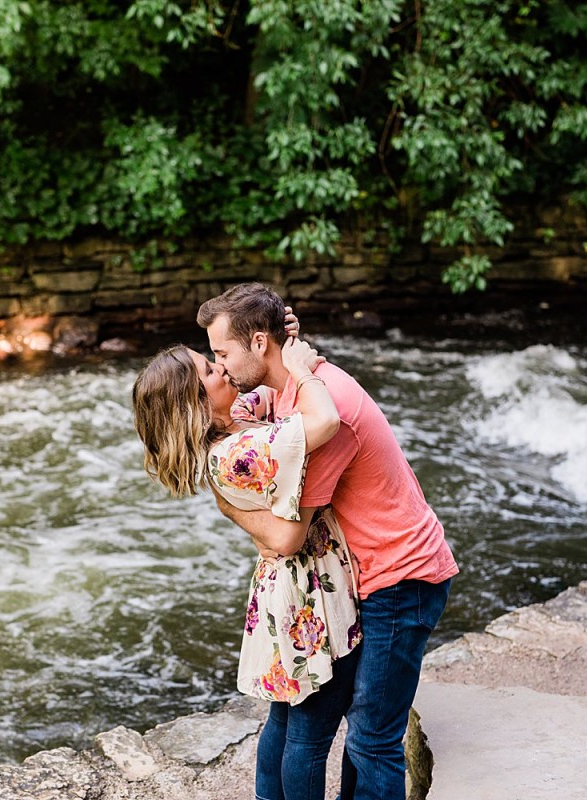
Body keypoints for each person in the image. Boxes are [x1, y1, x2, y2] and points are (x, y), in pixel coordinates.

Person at [198, 283, 459, 800]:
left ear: (257, 343)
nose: (219, 365)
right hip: (374, 574)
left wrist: (226, 503)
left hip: (399, 578)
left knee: (372, 738)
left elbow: (287, 536)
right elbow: (253, 424)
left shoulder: (322, 410)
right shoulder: (289, 393)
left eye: (220, 353)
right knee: (360, 732)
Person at [131, 334, 362, 800]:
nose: (223, 370)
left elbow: (261, 380)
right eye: (210, 370)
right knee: (311, 732)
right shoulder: (243, 451)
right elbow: (325, 419)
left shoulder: (233, 422)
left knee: (285, 715)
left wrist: (281, 340)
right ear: (195, 402)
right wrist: (303, 371)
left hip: (285, 591)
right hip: (308, 596)